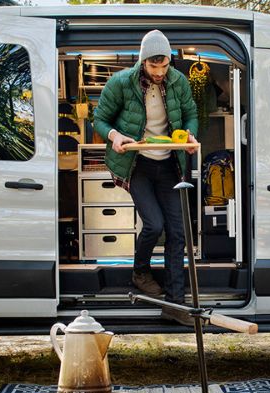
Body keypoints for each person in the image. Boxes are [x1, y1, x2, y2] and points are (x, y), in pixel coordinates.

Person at [93, 30, 199, 326]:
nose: (160, 72)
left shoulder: (178, 81)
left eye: (164, 66)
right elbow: (99, 119)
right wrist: (114, 136)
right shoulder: (121, 83)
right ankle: (140, 272)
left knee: (178, 232)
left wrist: (191, 134)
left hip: (168, 164)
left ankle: (176, 305)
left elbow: (191, 113)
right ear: (143, 63)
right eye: (154, 67)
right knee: (154, 224)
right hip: (136, 163)